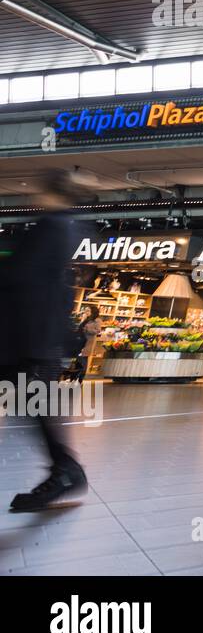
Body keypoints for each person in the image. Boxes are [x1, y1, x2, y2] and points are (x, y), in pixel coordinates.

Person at [0, 171, 93, 512]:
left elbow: (21, 282)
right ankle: (66, 471)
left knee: (36, 407)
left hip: (24, 340)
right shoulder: (65, 228)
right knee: (36, 408)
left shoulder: (51, 227)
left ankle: (66, 471)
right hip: (33, 341)